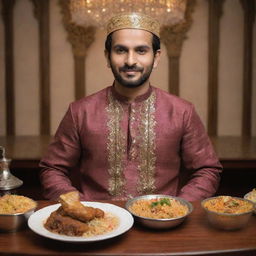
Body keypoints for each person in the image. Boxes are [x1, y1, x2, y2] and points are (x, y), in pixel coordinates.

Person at [40, 13, 222, 202]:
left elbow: (207, 169)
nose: (130, 61)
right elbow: (52, 168)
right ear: (107, 56)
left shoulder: (182, 112)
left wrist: (178, 206)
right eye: (120, 50)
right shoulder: (80, 112)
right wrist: (80, 208)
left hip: (163, 224)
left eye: (141, 51)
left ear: (156, 57)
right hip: (98, 226)